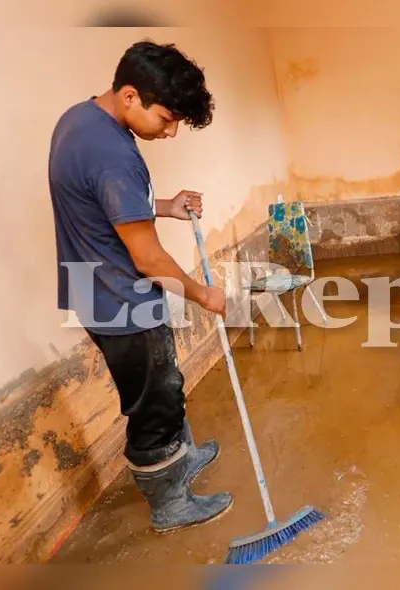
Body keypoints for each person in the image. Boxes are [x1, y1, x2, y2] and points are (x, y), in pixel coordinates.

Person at [48, 40, 232, 532]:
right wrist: (203, 294)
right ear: (130, 96)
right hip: (120, 299)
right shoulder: (113, 155)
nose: (170, 133)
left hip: (94, 289)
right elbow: (149, 258)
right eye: (167, 119)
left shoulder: (82, 121)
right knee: (156, 403)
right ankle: (170, 504)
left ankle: (183, 459)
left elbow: (103, 201)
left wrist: (165, 205)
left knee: (163, 385)